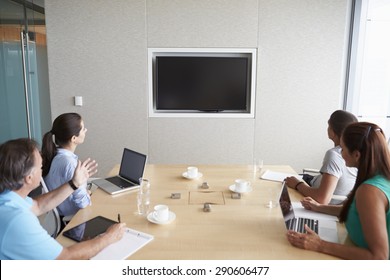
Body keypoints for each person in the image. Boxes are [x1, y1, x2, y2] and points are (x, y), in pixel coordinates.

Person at [0, 138, 125, 259]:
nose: (42, 170)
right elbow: (65, 257)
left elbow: (38, 205)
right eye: (40, 167)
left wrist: (74, 183)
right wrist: (108, 237)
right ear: (29, 178)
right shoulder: (17, 219)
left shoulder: (8, 197)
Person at [287, 122, 390, 259]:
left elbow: (379, 257)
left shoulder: (370, 191)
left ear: (356, 155)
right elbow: (357, 210)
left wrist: (320, 245)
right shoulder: (380, 176)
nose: (340, 154)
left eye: (342, 148)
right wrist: (319, 207)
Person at [285, 110, 358, 204]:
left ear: (333, 131)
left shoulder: (334, 155)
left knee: (283, 184)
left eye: (329, 126)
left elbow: (322, 199)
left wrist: (297, 184)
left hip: (313, 193)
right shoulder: (356, 153)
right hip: (314, 181)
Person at [41, 113, 91, 225]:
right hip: (73, 220)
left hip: (59, 212)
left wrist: (83, 191)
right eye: (83, 129)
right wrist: (86, 195)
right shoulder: (70, 163)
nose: (86, 130)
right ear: (74, 138)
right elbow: (83, 204)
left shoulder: (54, 155)